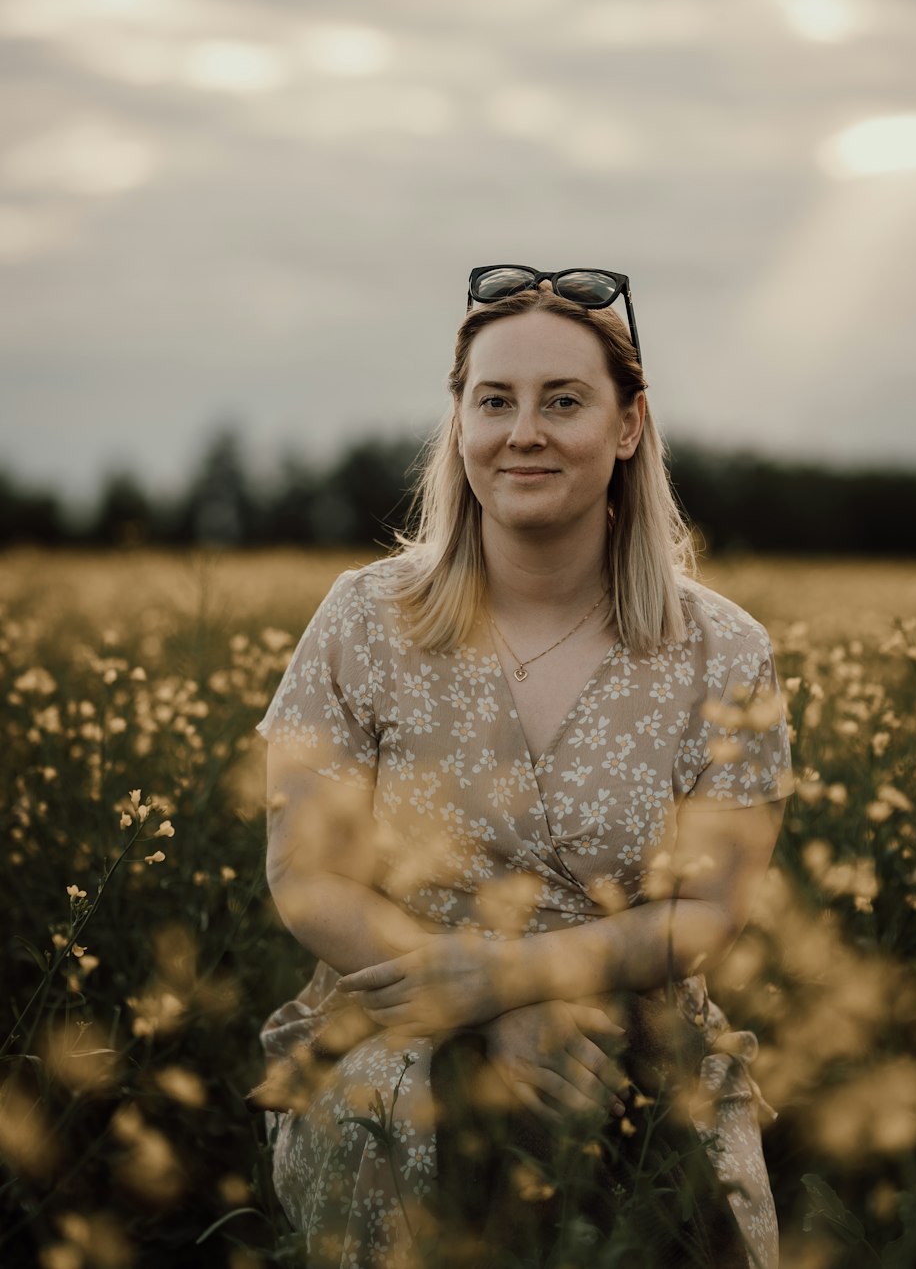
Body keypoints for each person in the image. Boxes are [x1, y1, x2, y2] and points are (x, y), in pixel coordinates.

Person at [251, 267, 794, 1269]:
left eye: (563, 400)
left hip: (636, 1030)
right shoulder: (362, 622)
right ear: (459, 422)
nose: (523, 430)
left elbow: (706, 914)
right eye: (493, 399)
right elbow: (307, 875)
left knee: (676, 1216)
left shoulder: (724, 650)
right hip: (400, 1018)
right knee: (429, 1150)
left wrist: (519, 976)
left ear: (627, 425)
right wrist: (481, 1011)